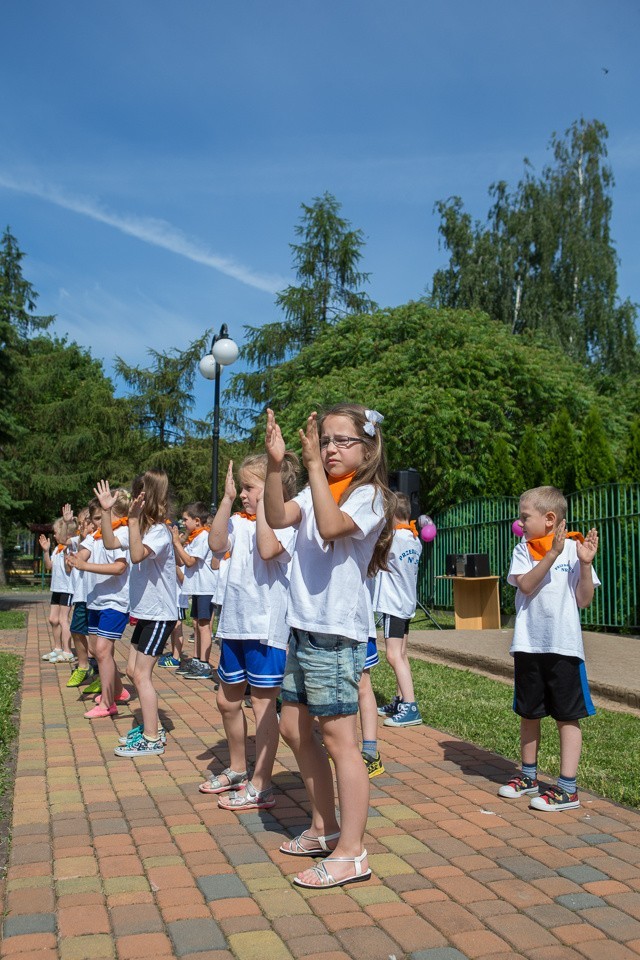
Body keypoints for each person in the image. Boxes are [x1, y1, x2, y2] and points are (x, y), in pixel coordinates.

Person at [264, 403, 395, 889]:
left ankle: (352, 852)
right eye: (325, 440)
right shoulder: (315, 484)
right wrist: (278, 466)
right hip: (302, 626)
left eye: (343, 440)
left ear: (368, 448)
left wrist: (316, 470)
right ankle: (324, 827)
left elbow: (329, 526)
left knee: (342, 742)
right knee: (295, 728)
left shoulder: (371, 498)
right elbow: (279, 515)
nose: (331, 448)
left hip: (336, 633)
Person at [200, 453, 298, 809]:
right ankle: (239, 768)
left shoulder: (287, 521)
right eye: (240, 487)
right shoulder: (239, 520)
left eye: (248, 487)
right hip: (235, 626)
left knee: (262, 706)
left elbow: (267, 549)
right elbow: (215, 544)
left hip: (265, 628)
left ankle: (262, 783)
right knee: (226, 700)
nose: (243, 494)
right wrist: (226, 500)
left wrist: (266, 503)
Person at [499, 485, 599, 812]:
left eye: (525, 517)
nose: (520, 523)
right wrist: (550, 555)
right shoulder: (522, 550)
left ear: (550, 518)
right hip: (529, 646)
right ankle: (528, 777)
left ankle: (567, 788)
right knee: (529, 712)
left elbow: (584, 599)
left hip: (564, 648)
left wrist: (584, 564)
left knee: (567, 716)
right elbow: (526, 585)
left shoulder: (573, 551)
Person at [95, 474, 178, 757]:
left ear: (150, 497)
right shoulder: (140, 527)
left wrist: (132, 521)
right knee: (132, 671)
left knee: (141, 675)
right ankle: (149, 728)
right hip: (145, 613)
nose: (135, 497)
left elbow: (138, 554)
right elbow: (108, 543)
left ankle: (152, 737)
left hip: (160, 614)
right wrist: (107, 512)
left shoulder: (159, 532)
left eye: (140, 493)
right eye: (134, 492)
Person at [68, 489, 131, 719]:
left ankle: (107, 704)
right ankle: (119, 692)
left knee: (103, 650)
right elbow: (82, 556)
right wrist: (74, 560)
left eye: (103, 515)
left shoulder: (122, 533)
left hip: (115, 601)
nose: (97, 522)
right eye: (95, 517)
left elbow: (119, 567)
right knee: (99, 650)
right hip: (96, 600)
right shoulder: (93, 537)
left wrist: (85, 566)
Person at [373, 493, 423, 727]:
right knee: (402, 655)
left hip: (393, 605)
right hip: (406, 604)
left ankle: (410, 707)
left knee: (393, 656)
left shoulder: (392, 540)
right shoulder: (414, 539)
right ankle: (401, 700)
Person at [172, 502, 217, 680]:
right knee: (197, 624)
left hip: (206, 587)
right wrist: (177, 545)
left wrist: (177, 543)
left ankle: (204, 663)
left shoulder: (204, 536)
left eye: (185, 519)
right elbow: (181, 561)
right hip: (197, 587)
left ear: (197, 521)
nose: (183, 523)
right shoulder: (194, 537)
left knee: (204, 625)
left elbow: (190, 561)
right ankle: (198, 659)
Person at [39, 507, 77, 663]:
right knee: (53, 619)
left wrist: (67, 523)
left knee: (63, 619)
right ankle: (57, 648)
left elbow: (69, 568)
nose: (54, 535)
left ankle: (67, 651)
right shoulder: (57, 549)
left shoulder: (71, 548)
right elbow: (49, 566)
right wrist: (46, 551)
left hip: (67, 589)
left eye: (56, 532)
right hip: (56, 588)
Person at [65, 506, 98, 687]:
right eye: (79, 523)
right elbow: (66, 541)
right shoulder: (81, 540)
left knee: (96, 640)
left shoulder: (99, 540)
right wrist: (67, 522)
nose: (81, 526)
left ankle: (100, 673)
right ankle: (84, 666)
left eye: (84, 522)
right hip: (81, 594)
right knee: (76, 629)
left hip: (95, 595)